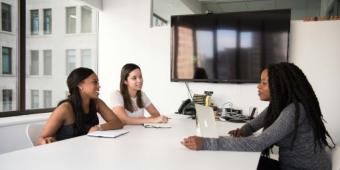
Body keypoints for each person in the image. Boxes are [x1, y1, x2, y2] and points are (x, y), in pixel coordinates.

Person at [182, 62, 335, 170]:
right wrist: (243, 131)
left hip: (302, 169)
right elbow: (252, 125)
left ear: (279, 85)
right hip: (288, 165)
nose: (258, 86)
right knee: (239, 160)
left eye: (264, 83)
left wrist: (207, 143)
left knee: (239, 163)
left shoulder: (294, 110)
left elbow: (258, 143)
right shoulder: (278, 106)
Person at [37, 67, 124, 145]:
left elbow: (117, 123)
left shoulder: (97, 103)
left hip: (87, 152)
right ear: (80, 85)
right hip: (66, 155)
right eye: (95, 82)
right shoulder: (65, 109)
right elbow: (40, 139)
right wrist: (45, 141)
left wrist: (99, 128)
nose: (99, 86)